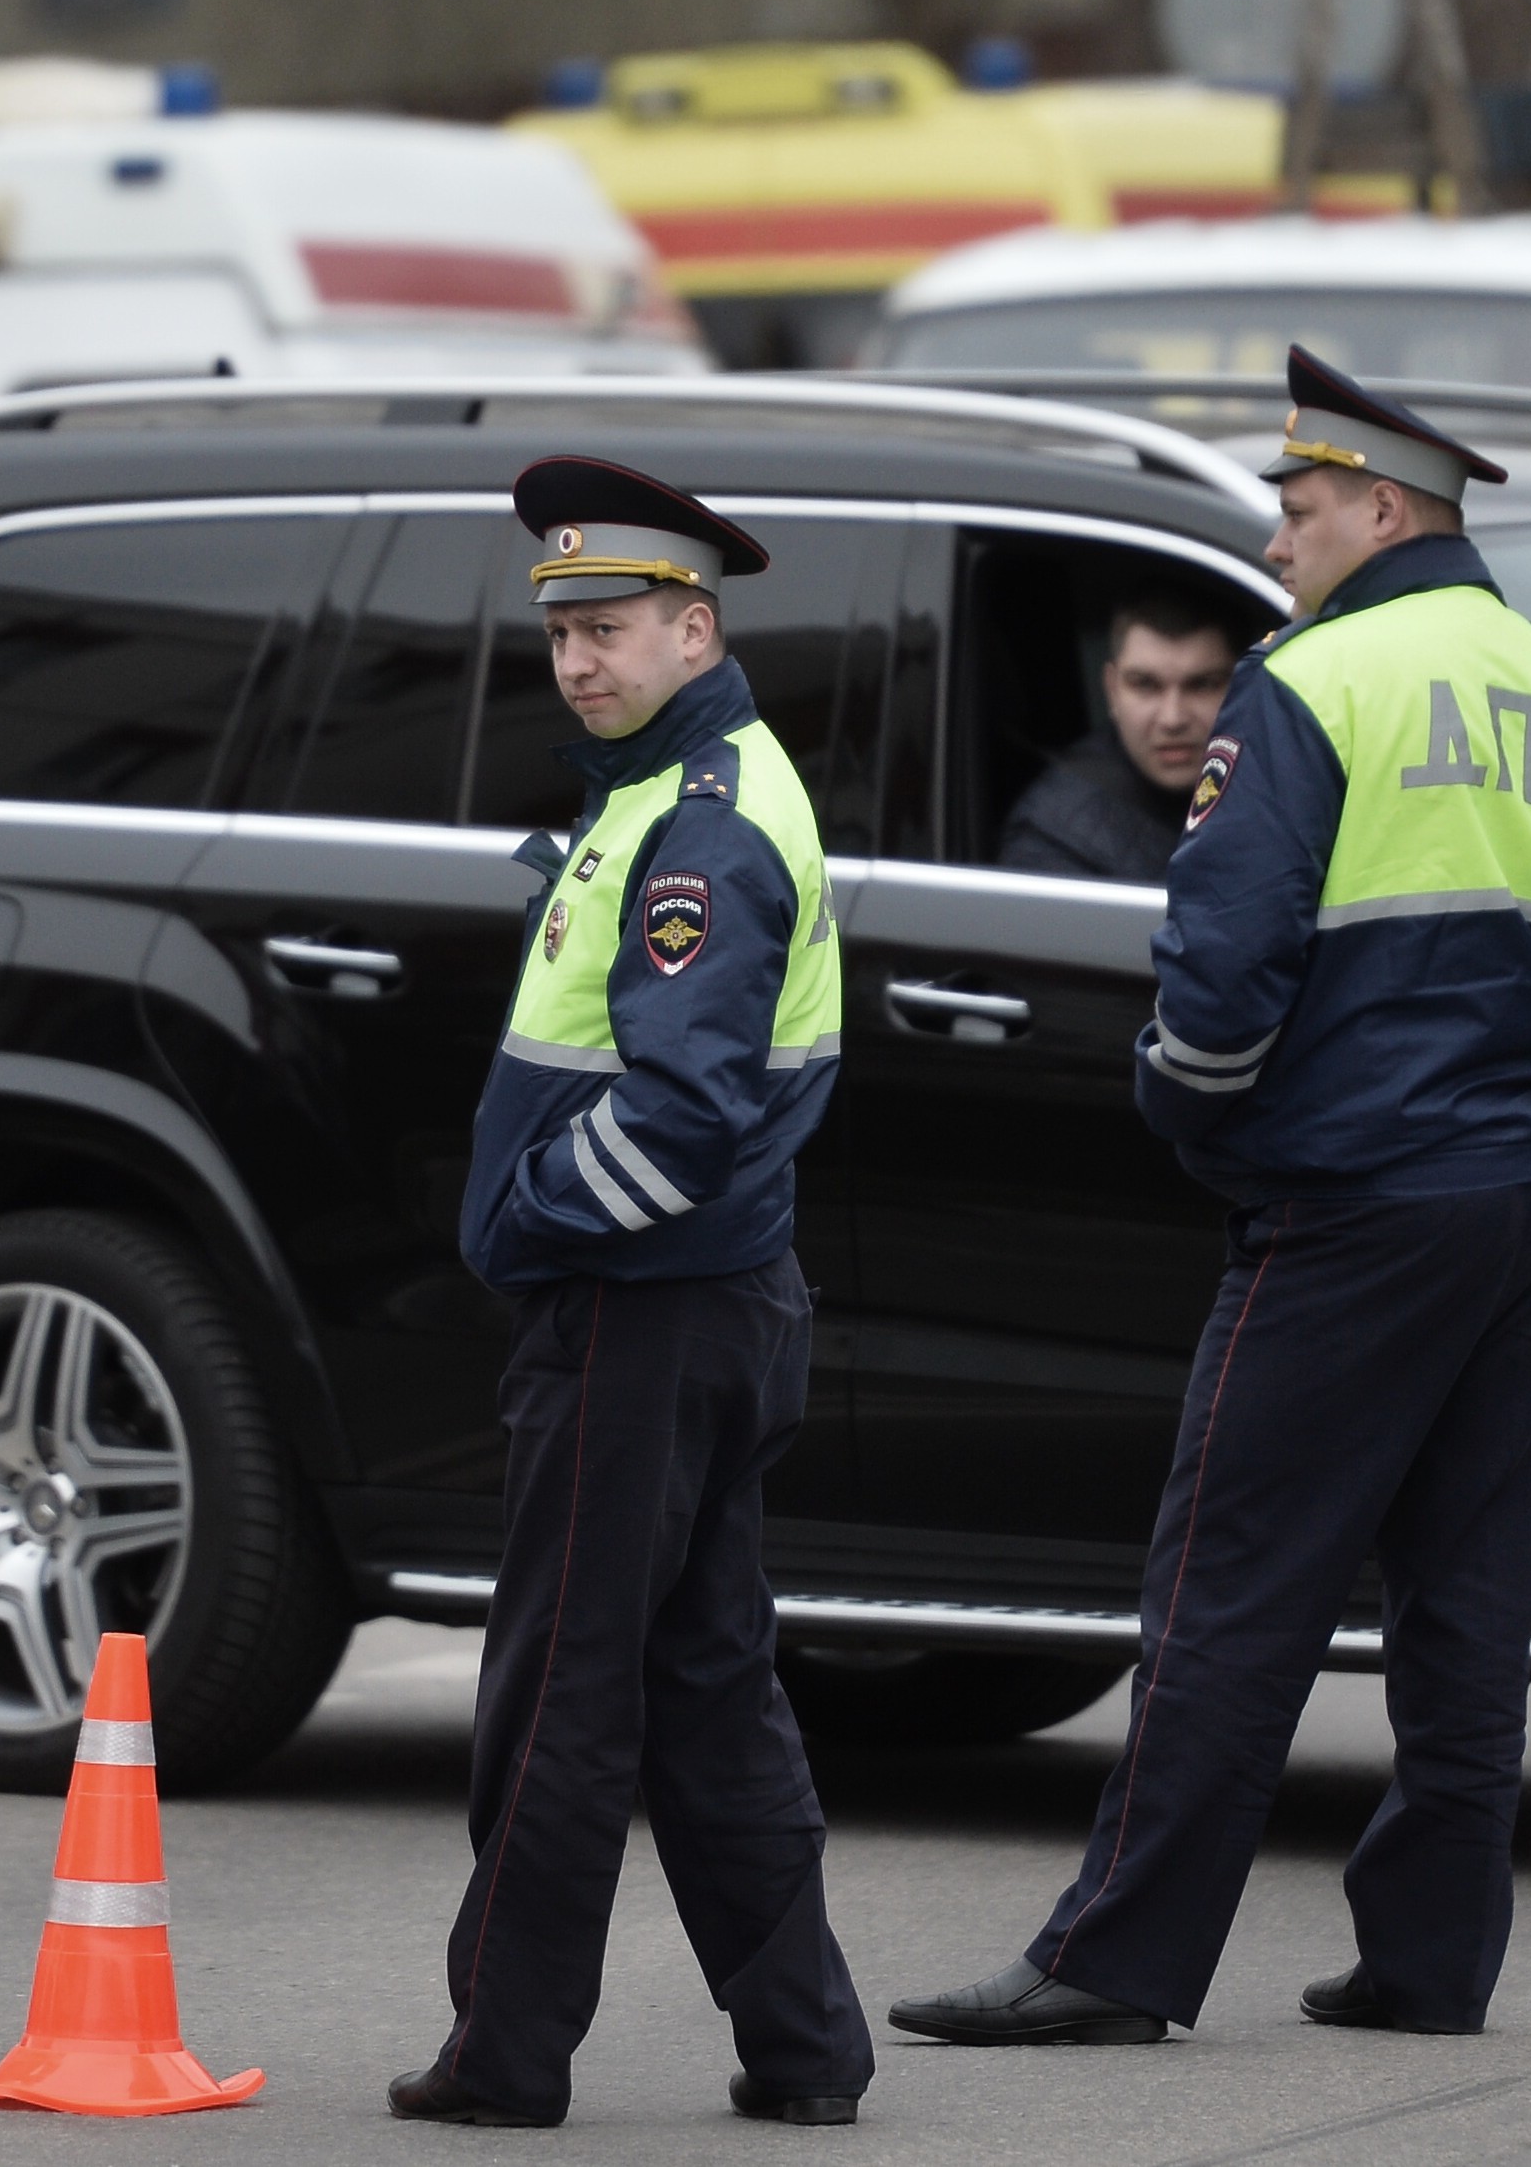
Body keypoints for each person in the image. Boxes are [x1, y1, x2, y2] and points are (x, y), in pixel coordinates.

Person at [890, 348, 1531, 2047]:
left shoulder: (1311, 685)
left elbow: (1221, 964)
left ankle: (1110, 1959)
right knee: (1464, 1603)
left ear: (1381, 508)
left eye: (1299, 506)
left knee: (1225, 1580)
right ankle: (1427, 1961)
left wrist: (1191, 1119)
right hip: (1524, 1200)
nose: (1276, 536)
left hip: (1359, 1196)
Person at [390, 457, 871, 2130]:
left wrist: (527, 1224)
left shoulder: (700, 825)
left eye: (611, 629)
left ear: (696, 623)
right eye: (562, 632)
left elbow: (682, 1110)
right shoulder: (673, 783)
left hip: (637, 1313)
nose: (580, 659)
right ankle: (806, 2041)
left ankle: (504, 2051)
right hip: (707, 1310)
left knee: (559, 1695)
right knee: (703, 1689)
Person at [996, 598, 1241, 883]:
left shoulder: (1282, 783)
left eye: (1202, 685)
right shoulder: (1053, 839)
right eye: (1145, 685)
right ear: (1112, 690)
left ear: (1242, 686)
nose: (1172, 719)